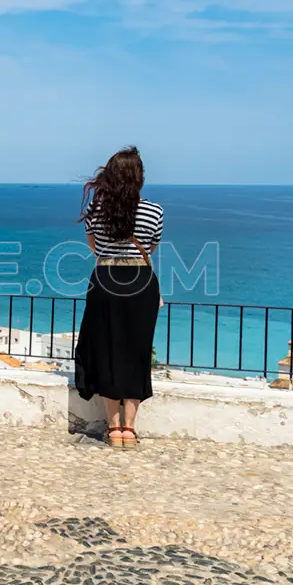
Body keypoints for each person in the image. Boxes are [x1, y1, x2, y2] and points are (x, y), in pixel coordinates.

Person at [74, 146, 163, 449]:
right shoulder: (155, 211)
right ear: (139, 177)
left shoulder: (97, 211)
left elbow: (94, 247)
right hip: (140, 282)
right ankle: (130, 427)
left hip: (106, 280)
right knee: (136, 351)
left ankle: (113, 427)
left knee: (106, 349)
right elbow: (150, 248)